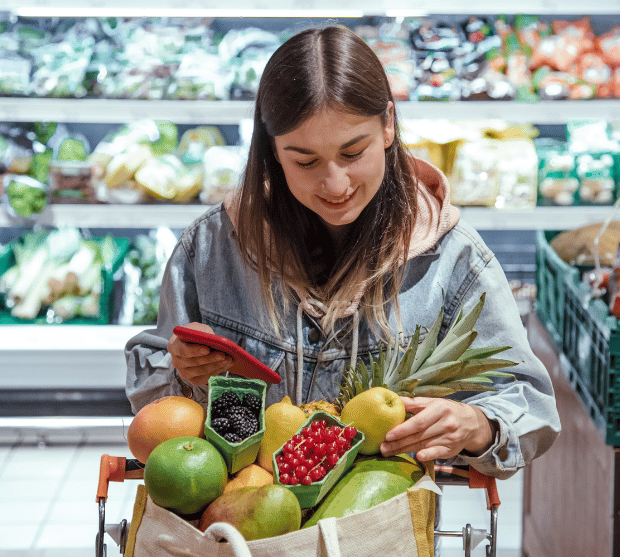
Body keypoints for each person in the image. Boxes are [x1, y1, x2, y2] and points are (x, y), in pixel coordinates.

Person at [125, 25, 560, 480]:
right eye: (305, 161)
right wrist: (182, 371)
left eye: (353, 152)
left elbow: (527, 400)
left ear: (388, 125)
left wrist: (478, 424)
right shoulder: (212, 246)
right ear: (272, 151)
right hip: (244, 525)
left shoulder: (454, 259)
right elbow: (154, 403)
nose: (335, 185)